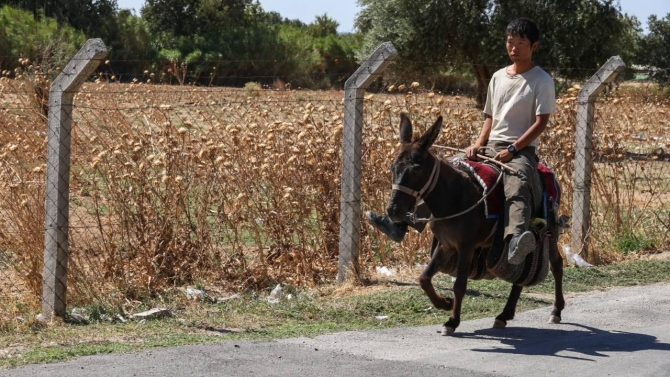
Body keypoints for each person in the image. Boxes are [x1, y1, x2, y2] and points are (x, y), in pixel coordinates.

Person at [366, 17, 555, 265]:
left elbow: (540, 123)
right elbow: (489, 117)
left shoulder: (542, 80)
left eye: (521, 43)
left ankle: (515, 241)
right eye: (510, 42)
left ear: (534, 46)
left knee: (517, 183)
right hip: (490, 147)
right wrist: (477, 144)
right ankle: (399, 224)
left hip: (520, 152)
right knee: (443, 173)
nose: (514, 48)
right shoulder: (498, 77)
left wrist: (513, 149)